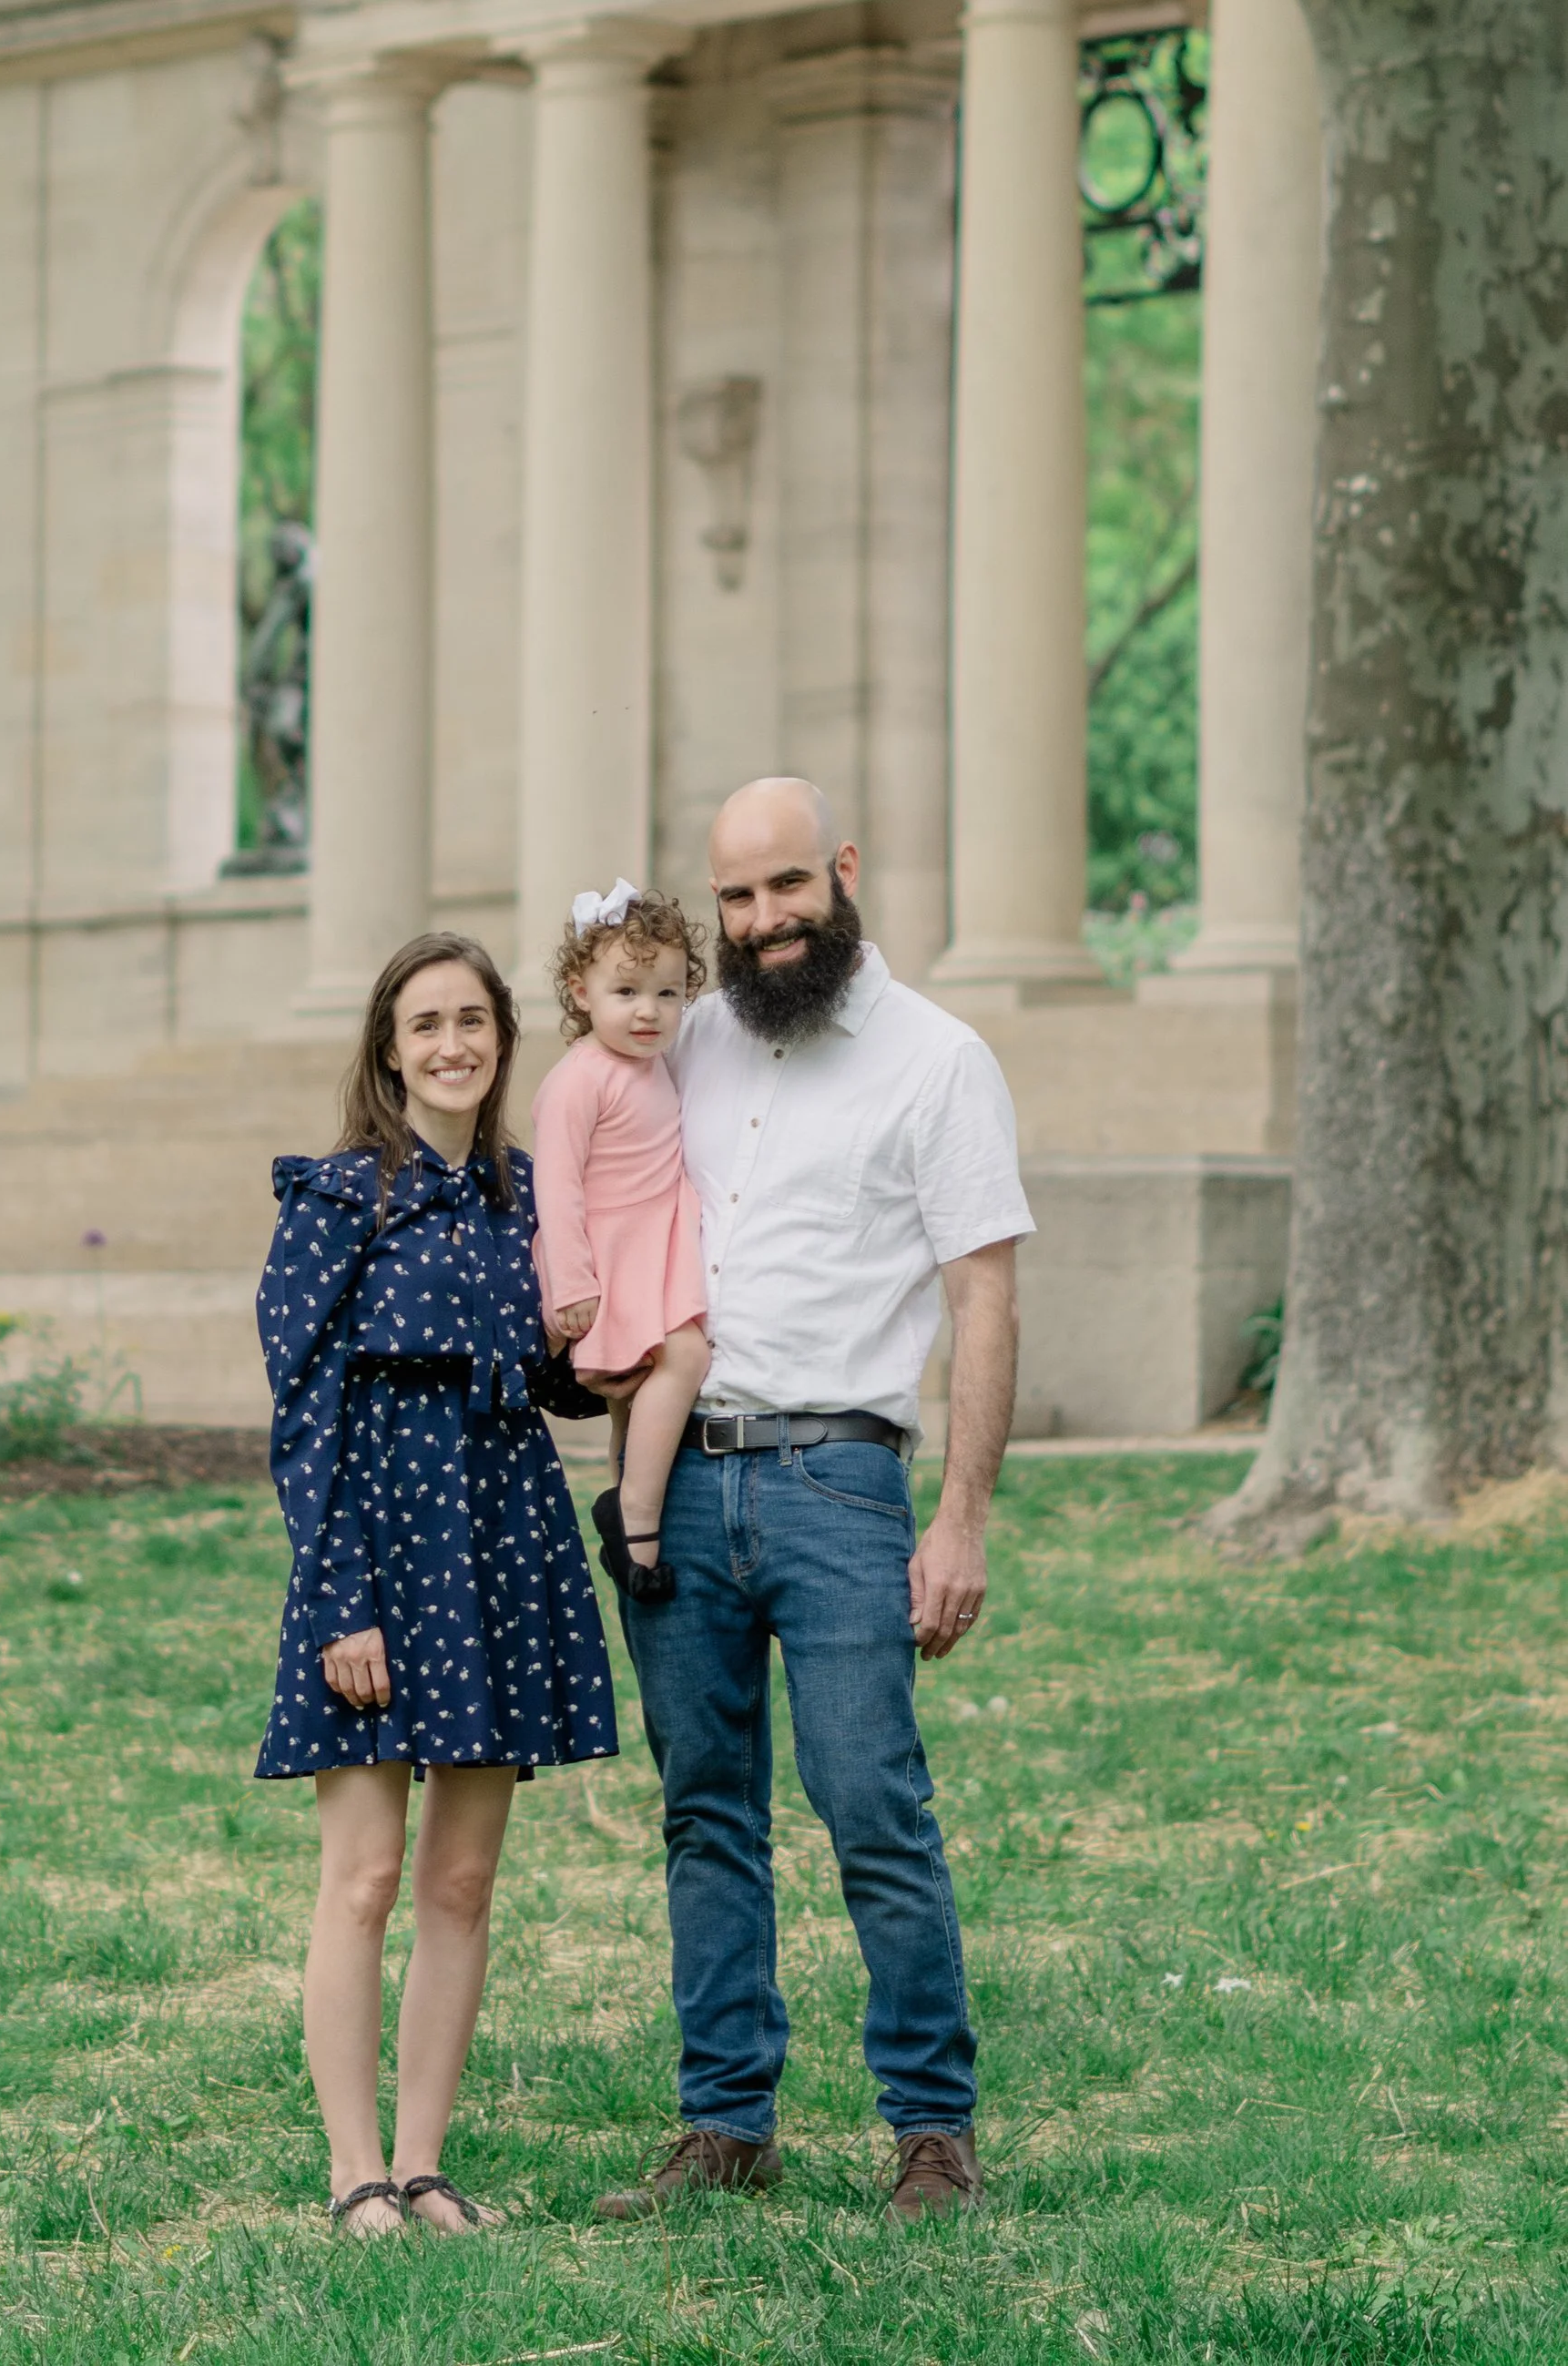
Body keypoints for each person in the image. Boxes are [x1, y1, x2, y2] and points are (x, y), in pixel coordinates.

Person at [592, 777, 1033, 2228]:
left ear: (842, 872)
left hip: (844, 1482)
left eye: (786, 887)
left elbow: (985, 1295)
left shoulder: (938, 1058)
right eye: (735, 897)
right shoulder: (691, 1041)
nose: (763, 922)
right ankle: (728, 2121)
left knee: (873, 1811)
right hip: (683, 1483)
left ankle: (932, 2131)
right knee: (703, 1812)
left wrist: (959, 1517)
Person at [256, 931, 616, 2237]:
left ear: (501, 1040)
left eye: (474, 1020)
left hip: (502, 1543)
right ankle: (353, 2170)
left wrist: (595, 1349)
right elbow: (303, 1410)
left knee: (461, 1882)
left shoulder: (532, 1197)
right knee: (363, 1874)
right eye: (427, 1024)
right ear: (390, 1050)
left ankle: (423, 2160)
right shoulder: (341, 1197)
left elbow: (550, 1375)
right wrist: (340, 1593)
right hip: (378, 1550)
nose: (453, 1043)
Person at [531, 878, 712, 1599]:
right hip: (609, 1252)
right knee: (685, 1354)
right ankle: (637, 1515)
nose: (649, 1011)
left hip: (654, 1237)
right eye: (628, 991)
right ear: (581, 993)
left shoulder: (654, 1066)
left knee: (635, 1400)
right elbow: (557, 1184)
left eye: (668, 995)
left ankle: (628, 1525)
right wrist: (571, 1283)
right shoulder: (581, 1077)